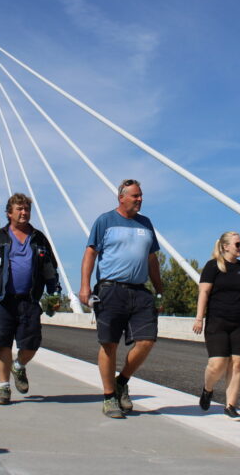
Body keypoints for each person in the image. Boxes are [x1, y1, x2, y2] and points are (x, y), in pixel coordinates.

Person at [79, 178, 164, 419]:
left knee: (147, 341)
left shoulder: (146, 224)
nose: (140, 199)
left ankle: (121, 381)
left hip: (140, 291)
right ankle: (109, 398)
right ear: (122, 198)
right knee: (109, 344)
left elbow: (152, 260)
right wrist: (85, 286)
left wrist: (159, 290)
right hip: (110, 289)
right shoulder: (105, 221)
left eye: (141, 195)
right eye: (135, 196)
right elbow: (90, 254)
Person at [0, 193, 61, 405]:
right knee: (2, 344)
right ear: (9, 213)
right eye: (19, 209)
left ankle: (19, 366)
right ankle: (4, 388)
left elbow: (51, 268)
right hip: (1, 300)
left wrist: (54, 293)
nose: (24, 213)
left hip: (29, 300)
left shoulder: (39, 239)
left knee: (31, 344)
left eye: (27, 209)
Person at [192, 231, 240, 421]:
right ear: (225, 246)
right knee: (217, 365)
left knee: (237, 364)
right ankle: (207, 389)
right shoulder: (212, 266)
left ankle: (230, 406)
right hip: (217, 321)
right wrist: (199, 318)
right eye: (237, 244)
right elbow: (204, 293)